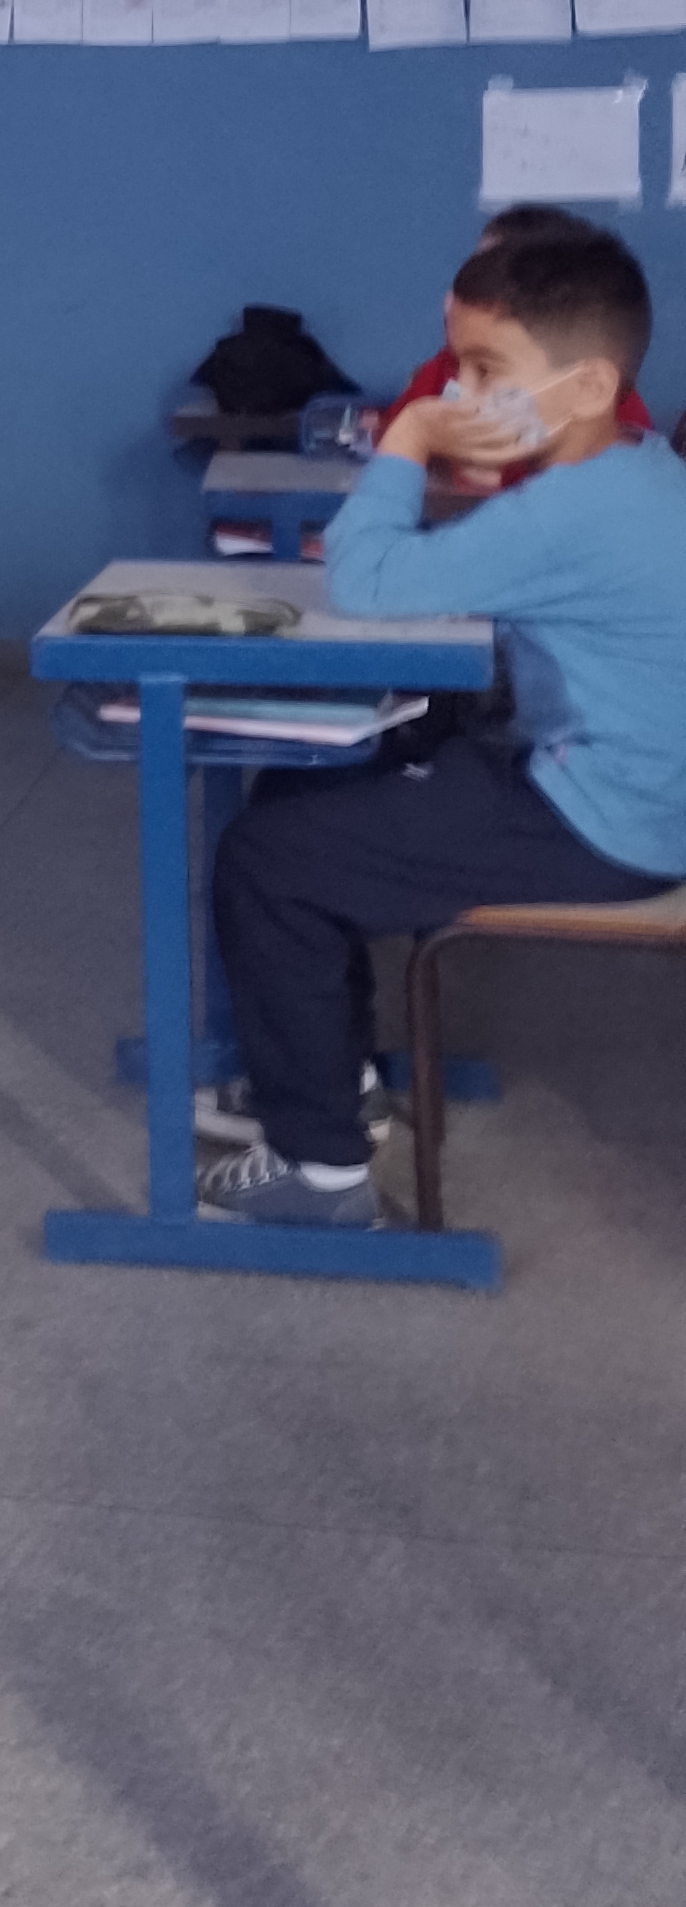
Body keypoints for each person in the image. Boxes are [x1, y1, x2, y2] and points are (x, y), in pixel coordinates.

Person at [200, 224, 686, 1228]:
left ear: (591, 386)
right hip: (629, 788)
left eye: (486, 369)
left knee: (267, 859)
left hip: (606, 819)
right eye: (457, 367)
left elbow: (365, 579)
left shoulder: (572, 508)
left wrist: (411, 435)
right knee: (311, 780)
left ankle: (319, 1168)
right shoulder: (635, 469)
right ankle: (332, 1075)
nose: (461, 391)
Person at [377, 202, 651, 475]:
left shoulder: (607, 410)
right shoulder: (446, 367)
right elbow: (389, 439)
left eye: (485, 371)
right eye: (473, 274)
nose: (462, 389)